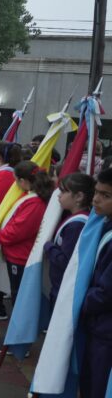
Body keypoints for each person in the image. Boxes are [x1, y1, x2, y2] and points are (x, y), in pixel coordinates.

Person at [0, 160, 52, 322]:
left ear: (23, 181)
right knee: (14, 290)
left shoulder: (35, 203)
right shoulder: (30, 197)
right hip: (15, 253)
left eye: (16, 181)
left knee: (19, 294)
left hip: (20, 255)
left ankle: (19, 329)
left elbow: (17, 230)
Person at [78, 167, 112, 398]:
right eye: (96, 192)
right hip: (97, 324)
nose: (96, 199)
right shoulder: (101, 223)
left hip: (105, 330)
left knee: (96, 386)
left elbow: (106, 292)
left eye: (105, 195)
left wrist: (79, 301)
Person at [44, 172, 93, 307]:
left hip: (63, 287)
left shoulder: (76, 225)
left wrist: (48, 246)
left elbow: (65, 261)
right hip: (60, 285)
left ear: (79, 197)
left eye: (64, 191)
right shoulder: (73, 217)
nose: (59, 195)